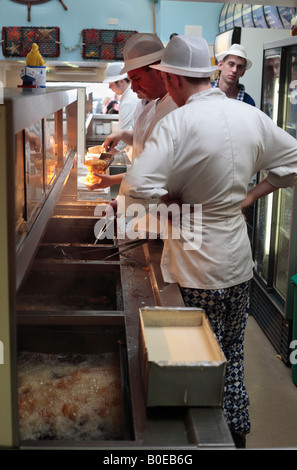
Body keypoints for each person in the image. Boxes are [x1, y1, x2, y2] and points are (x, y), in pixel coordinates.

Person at [118, 35, 297, 448]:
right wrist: (250, 196)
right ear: (209, 73)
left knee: (198, 366)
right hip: (237, 266)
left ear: (174, 79)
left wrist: (167, 205)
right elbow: (291, 162)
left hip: (196, 269)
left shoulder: (178, 122)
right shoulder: (249, 116)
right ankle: (237, 435)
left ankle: (209, 442)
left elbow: (134, 191)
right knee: (232, 357)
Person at [87, 33, 177, 191]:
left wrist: (111, 180)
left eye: (137, 79)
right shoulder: (151, 105)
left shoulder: (175, 110)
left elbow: (159, 171)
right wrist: (122, 134)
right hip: (140, 193)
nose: (134, 88)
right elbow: (140, 138)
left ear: (157, 70)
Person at [103, 62, 139, 157]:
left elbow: (123, 134)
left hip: (134, 151)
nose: (109, 87)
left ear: (121, 81)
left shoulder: (129, 100)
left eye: (111, 84)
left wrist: (105, 156)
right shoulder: (127, 96)